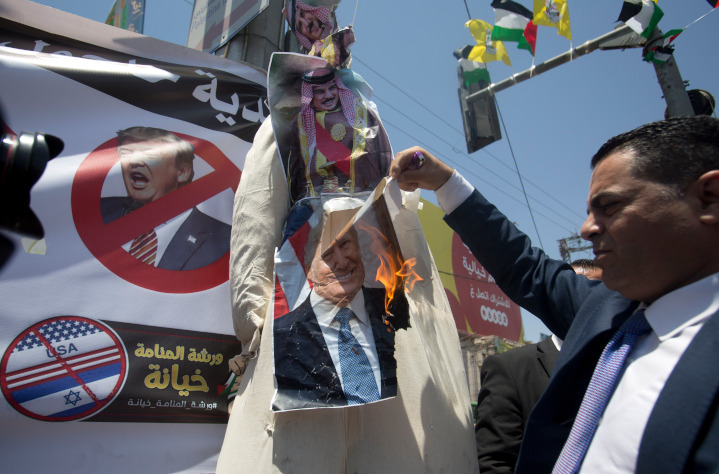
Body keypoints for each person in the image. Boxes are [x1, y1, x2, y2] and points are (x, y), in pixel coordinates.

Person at [391, 115, 719, 473]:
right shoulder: (607, 310)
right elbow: (523, 265)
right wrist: (443, 180)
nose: (588, 229)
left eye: (609, 207)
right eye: (589, 211)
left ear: (709, 197)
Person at [474, 259, 602, 473]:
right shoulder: (512, 368)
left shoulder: (632, 360)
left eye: (596, 293)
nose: (583, 301)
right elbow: (494, 462)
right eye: (571, 292)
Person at [272, 210, 397, 411]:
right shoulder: (281, 336)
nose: (342, 262)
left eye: (345, 245)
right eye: (327, 255)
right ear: (309, 270)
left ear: (359, 248)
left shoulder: (394, 308)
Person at [101, 126, 230, 270]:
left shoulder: (224, 239)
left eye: (150, 154)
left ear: (182, 172)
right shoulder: (96, 214)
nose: (134, 162)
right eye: (126, 154)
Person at [286, 67, 392, 203]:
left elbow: (382, 153)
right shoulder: (301, 123)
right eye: (320, 92)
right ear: (310, 95)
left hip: (359, 199)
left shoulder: (361, 114)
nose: (329, 95)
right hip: (314, 202)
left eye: (332, 88)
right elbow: (295, 167)